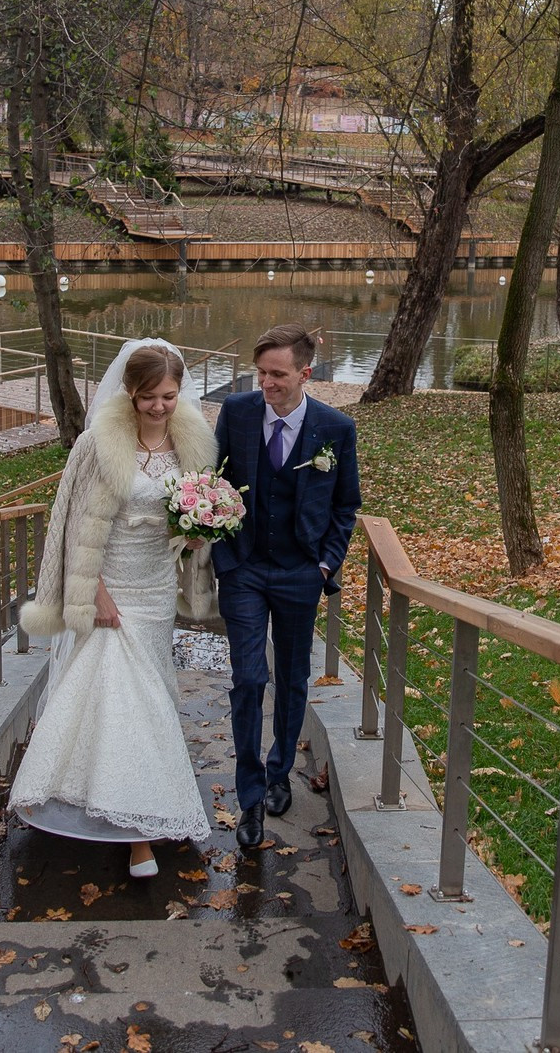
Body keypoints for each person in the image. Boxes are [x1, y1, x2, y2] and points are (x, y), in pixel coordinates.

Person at [13, 339, 218, 878]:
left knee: (147, 696)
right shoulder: (96, 443)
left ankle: (110, 790)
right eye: (149, 397)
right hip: (111, 586)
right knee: (121, 694)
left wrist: (197, 535)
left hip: (156, 589)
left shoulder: (193, 443)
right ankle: (138, 837)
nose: (159, 407)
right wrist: (94, 590)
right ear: (129, 391)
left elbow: (190, 515)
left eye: (168, 396)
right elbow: (72, 521)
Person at [211, 323, 361, 850]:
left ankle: (279, 772)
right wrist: (222, 551)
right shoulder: (237, 412)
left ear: (305, 373)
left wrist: (325, 565)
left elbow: (345, 505)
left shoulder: (336, 428)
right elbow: (214, 479)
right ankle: (250, 796)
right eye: (260, 373)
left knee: (293, 678)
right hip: (244, 569)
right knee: (249, 678)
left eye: (277, 374)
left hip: (301, 572)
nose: (266, 383)